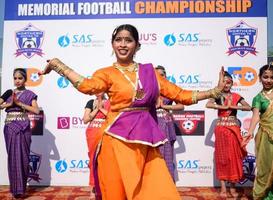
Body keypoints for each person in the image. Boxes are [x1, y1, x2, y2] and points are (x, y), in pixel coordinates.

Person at [40, 24, 225, 200]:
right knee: (116, 193)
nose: (122, 44)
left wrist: (214, 91)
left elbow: (180, 95)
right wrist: (58, 65)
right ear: (112, 44)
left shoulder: (150, 73)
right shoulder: (106, 73)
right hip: (115, 142)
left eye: (128, 40)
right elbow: (88, 86)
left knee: (157, 192)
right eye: (118, 40)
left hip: (145, 143)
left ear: (137, 45)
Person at [206, 71, 251, 198]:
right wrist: (223, 107)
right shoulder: (217, 95)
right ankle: (223, 188)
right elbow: (208, 104)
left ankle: (232, 187)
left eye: (229, 81)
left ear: (232, 83)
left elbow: (248, 107)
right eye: (224, 81)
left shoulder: (236, 96)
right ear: (221, 83)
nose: (226, 84)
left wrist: (233, 107)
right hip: (221, 129)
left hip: (233, 129)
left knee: (233, 157)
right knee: (222, 158)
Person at [0, 68, 40, 198]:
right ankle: (14, 190)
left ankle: (21, 190)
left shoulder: (30, 94)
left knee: (23, 157)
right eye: (15, 78)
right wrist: (9, 104)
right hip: (10, 127)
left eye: (20, 78)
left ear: (25, 80)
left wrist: (20, 103)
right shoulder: (8, 93)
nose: (17, 81)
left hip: (23, 127)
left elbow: (36, 111)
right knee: (13, 157)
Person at [244, 63, 273, 200]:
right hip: (266, 136)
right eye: (265, 77)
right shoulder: (258, 98)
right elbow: (255, 116)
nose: (268, 80)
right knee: (265, 168)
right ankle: (264, 196)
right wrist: (250, 132)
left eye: (272, 77)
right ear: (260, 78)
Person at [155, 65, 184, 181]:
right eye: (156, 75)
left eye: (162, 75)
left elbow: (181, 106)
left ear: (166, 76)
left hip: (165, 124)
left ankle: (167, 187)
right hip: (151, 124)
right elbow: (137, 101)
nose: (159, 77)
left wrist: (164, 106)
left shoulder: (170, 89)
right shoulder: (147, 88)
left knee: (166, 155)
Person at [82, 93, 110, 197]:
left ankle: (106, 186)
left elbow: (113, 117)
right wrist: (97, 109)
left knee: (106, 160)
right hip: (92, 133)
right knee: (93, 160)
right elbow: (85, 119)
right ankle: (94, 187)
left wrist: (102, 109)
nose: (98, 91)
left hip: (106, 132)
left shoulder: (111, 102)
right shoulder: (90, 102)